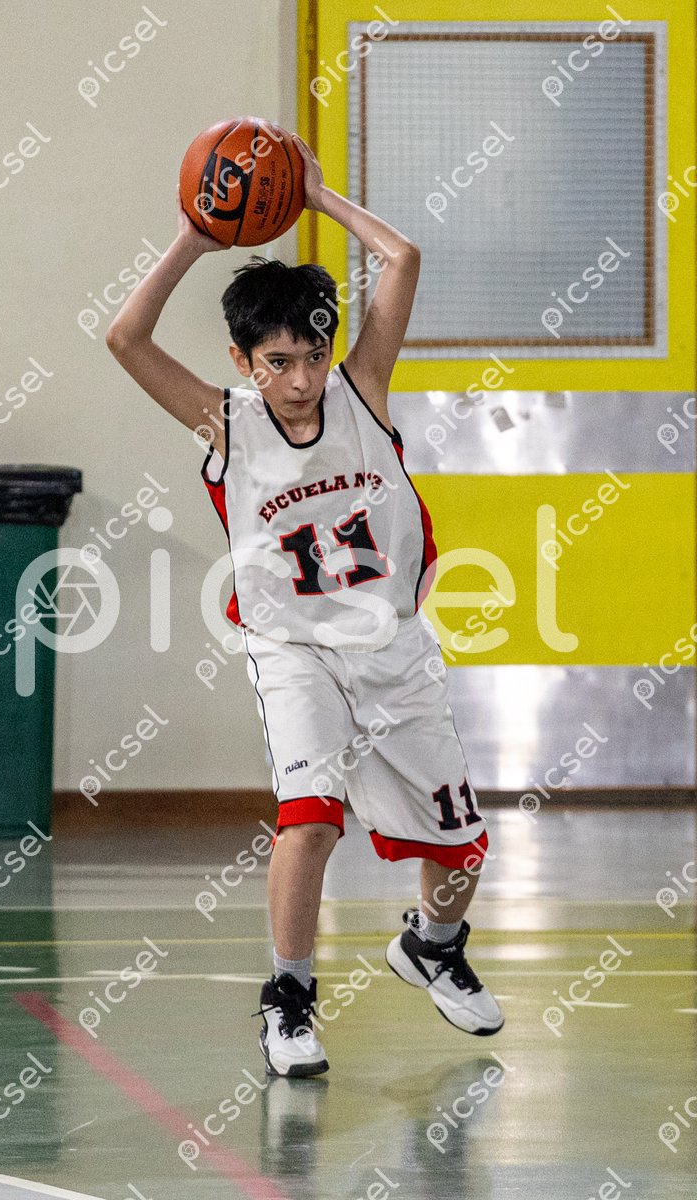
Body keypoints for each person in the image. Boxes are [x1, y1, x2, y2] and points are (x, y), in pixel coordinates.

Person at [105, 133, 504, 1078]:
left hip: (391, 645)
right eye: (277, 360)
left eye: (312, 355)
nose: (298, 379)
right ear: (243, 360)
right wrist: (195, 238)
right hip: (293, 650)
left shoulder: (363, 391)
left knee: (461, 849)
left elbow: (403, 258)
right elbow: (124, 340)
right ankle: (287, 999)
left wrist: (320, 199)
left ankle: (432, 946)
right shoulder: (227, 423)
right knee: (311, 816)